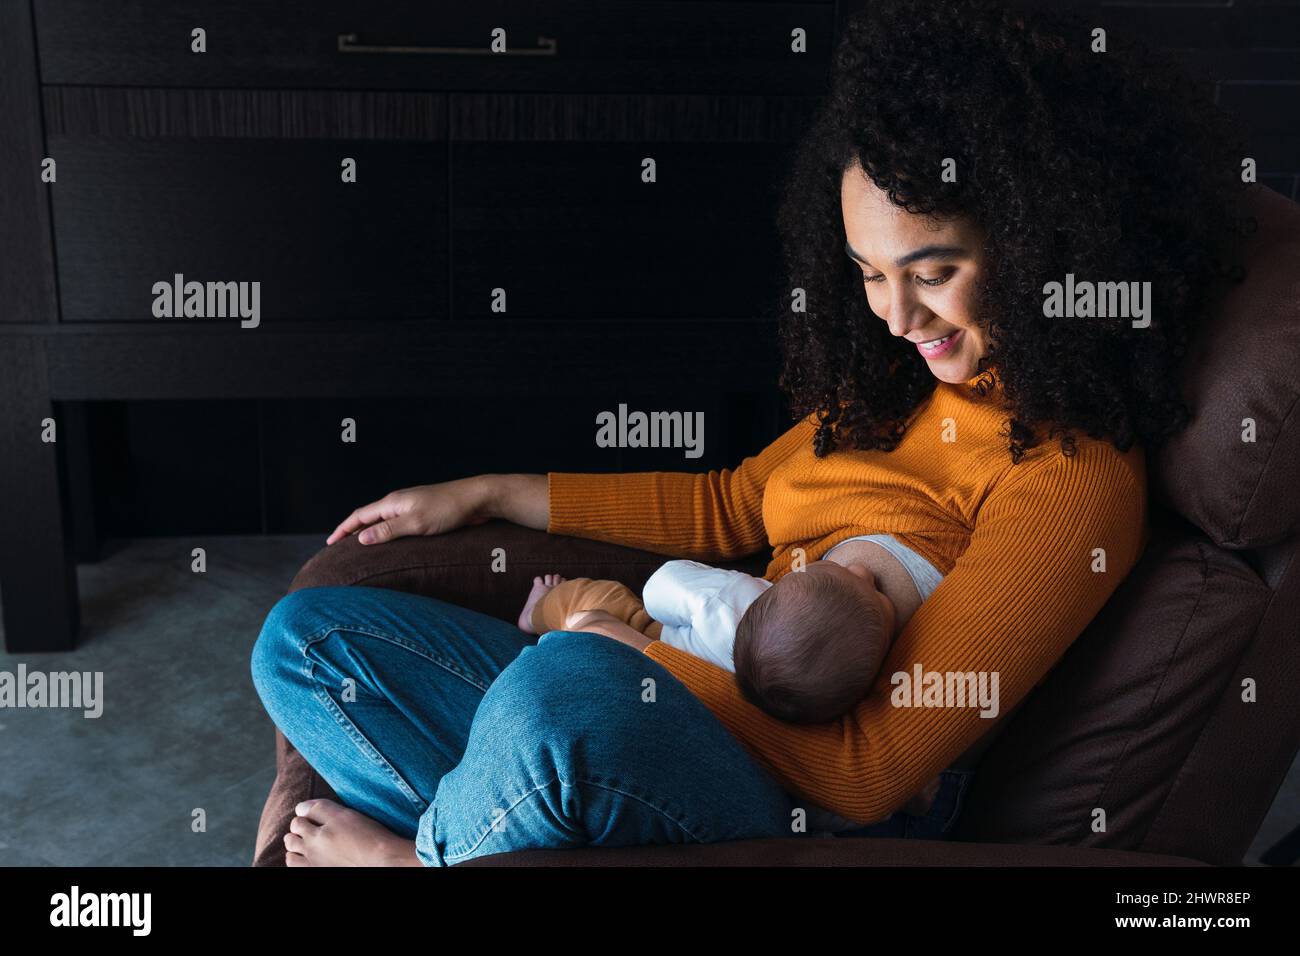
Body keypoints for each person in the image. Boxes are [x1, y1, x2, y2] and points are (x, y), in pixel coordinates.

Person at [250, 0, 1245, 865]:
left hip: (801, 794)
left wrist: (623, 650)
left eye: (931, 270)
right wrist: (491, 491)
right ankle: (500, 823)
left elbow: (866, 773)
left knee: (558, 705)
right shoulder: (902, 383)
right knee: (308, 641)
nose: (895, 316)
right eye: (865, 271)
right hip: (690, 688)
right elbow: (731, 501)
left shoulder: (1068, 472)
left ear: (1042, 247)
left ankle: (424, 858)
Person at [517, 528, 945, 724]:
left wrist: (728, 584)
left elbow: (658, 589)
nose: (862, 571)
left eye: (876, 595)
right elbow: (829, 810)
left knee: (594, 599)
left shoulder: (733, 604)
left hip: (649, 635)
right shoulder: (813, 716)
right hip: (651, 689)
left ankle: (536, 614)